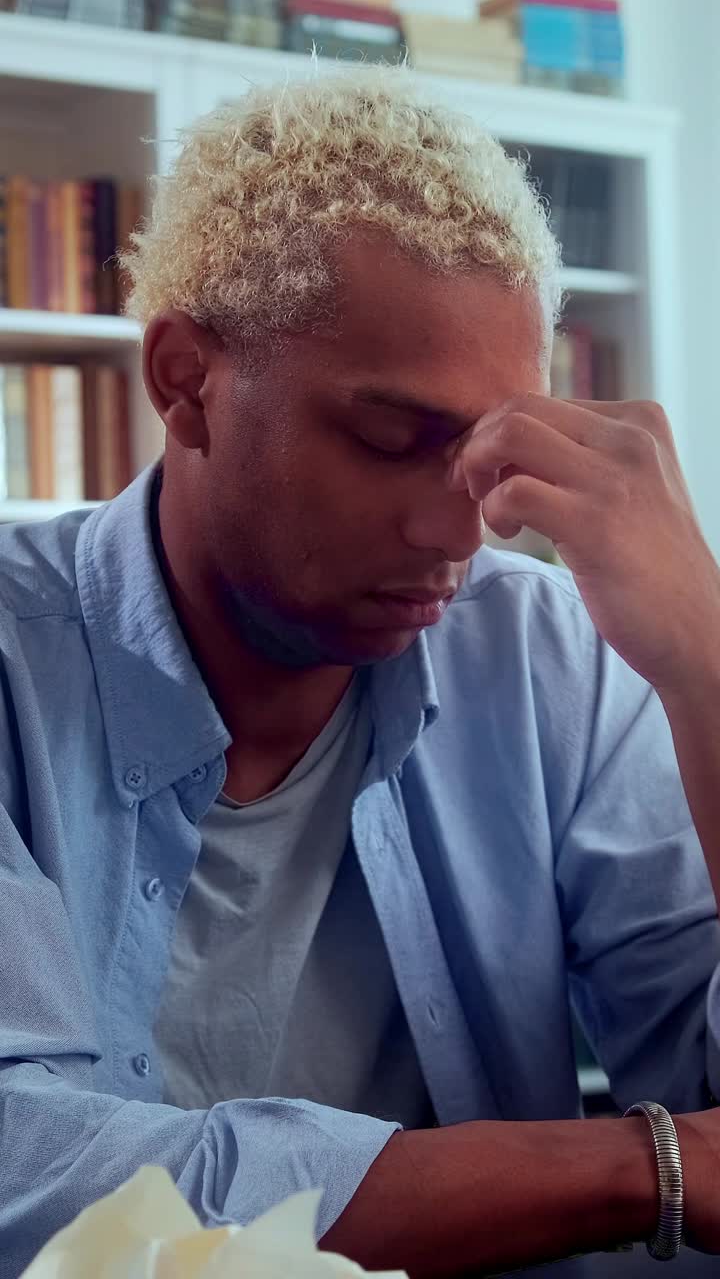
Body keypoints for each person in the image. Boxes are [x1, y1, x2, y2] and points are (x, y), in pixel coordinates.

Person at [2, 64, 720, 1279]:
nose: (460, 530)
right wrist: (639, 1168)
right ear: (185, 383)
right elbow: (32, 1175)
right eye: (395, 440)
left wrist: (705, 669)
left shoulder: (550, 651)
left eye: (494, 451)